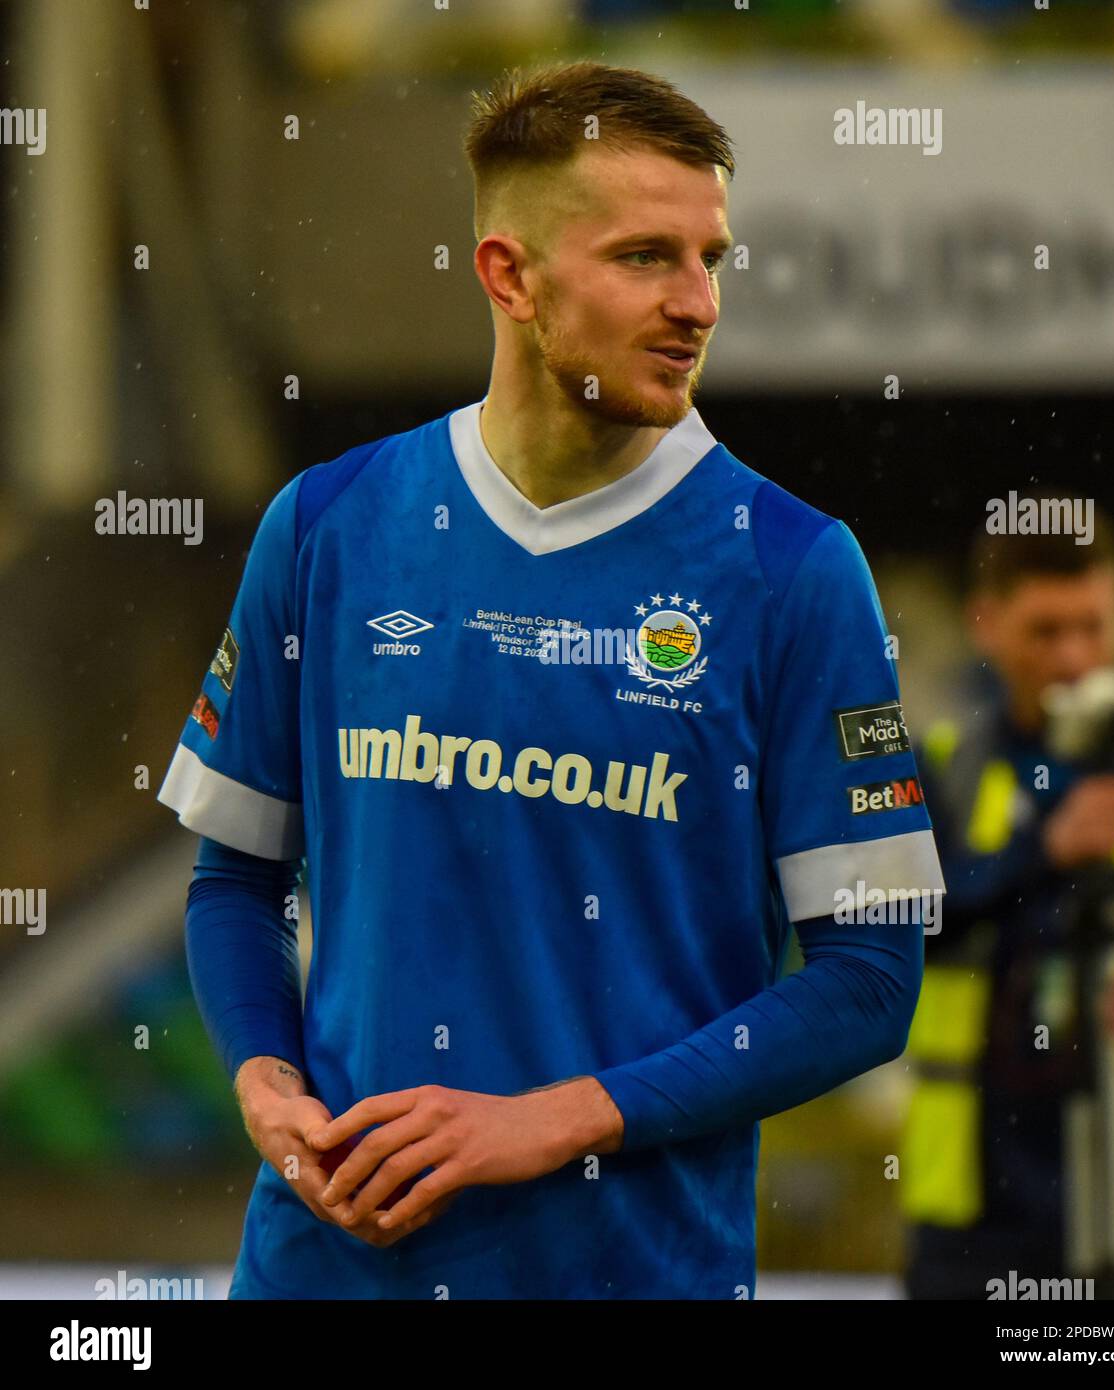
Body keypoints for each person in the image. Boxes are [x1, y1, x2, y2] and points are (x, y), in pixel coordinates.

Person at [159, 60, 943, 1299]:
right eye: (645, 257)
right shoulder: (328, 525)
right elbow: (235, 879)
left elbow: (869, 983)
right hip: (324, 1273)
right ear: (509, 275)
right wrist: (265, 1077)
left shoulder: (794, 570)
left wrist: (561, 1118)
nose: (699, 304)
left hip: (625, 1275)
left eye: (713, 258)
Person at [901, 502, 1114, 1299]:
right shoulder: (943, 770)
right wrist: (1035, 855)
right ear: (983, 623)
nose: (1075, 658)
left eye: (1094, 626)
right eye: (1045, 631)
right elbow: (887, 927)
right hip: (972, 1220)